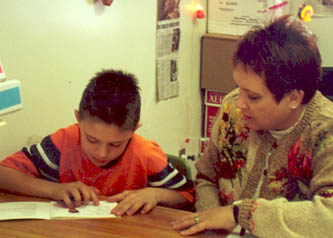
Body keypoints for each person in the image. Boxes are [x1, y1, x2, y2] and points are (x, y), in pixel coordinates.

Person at [172, 15, 333, 238]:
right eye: (239, 88)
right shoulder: (232, 109)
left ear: (293, 98)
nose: (239, 102)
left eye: (253, 97)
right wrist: (211, 222)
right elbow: (207, 178)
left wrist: (239, 214)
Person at [0, 69, 194, 216]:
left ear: (134, 130)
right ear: (78, 119)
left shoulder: (145, 155)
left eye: (116, 144)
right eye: (92, 139)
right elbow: (3, 174)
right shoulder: (62, 143)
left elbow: (188, 196)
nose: (101, 153)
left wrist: (155, 195)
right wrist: (54, 189)